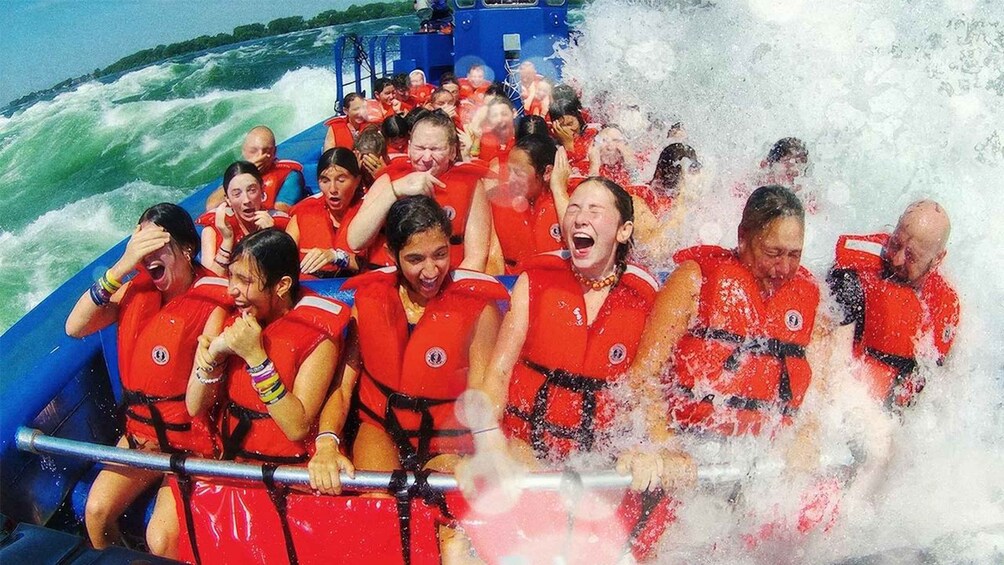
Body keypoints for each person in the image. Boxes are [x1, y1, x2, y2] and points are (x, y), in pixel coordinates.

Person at [462, 177, 694, 561]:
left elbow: (644, 385)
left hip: (600, 452)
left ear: (624, 231)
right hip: (529, 442)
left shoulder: (645, 296)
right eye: (574, 208)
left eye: (594, 210)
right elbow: (498, 374)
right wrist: (488, 443)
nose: (580, 218)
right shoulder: (534, 280)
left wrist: (658, 448)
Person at [65, 203, 229, 558]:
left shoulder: (216, 301)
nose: (147, 256)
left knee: (161, 539)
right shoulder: (136, 292)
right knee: (96, 511)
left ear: (186, 249)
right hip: (141, 438)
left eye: (158, 245)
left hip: (192, 447)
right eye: (141, 245)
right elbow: (75, 327)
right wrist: (122, 266)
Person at [632, 184, 823, 438]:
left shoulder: (807, 295)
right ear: (743, 237)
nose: (785, 268)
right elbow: (643, 377)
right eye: (773, 253)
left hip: (764, 453)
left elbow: (819, 396)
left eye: (794, 254)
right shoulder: (694, 280)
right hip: (689, 438)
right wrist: (664, 444)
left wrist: (806, 439)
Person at [186, 228, 349, 466]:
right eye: (232, 276)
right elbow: (194, 406)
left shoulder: (319, 335)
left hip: (289, 473)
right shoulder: (228, 316)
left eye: (246, 280)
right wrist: (215, 354)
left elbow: (297, 427)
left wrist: (256, 358)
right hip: (231, 465)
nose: (232, 289)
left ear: (282, 285)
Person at [827, 200, 959, 411]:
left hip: (895, 414)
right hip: (848, 404)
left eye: (911, 256)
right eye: (896, 244)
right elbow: (828, 363)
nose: (897, 260)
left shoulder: (945, 306)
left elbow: (937, 388)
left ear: (937, 259)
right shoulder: (853, 277)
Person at [346, 111, 492, 272]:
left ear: (452, 152)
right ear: (408, 149)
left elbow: (476, 256)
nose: (426, 157)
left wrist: (446, 293)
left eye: (436, 149)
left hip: (446, 280)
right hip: (391, 280)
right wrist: (395, 191)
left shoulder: (470, 185)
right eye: (420, 148)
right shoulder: (389, 179)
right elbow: (355, 241)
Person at [487, 134, 570, 274]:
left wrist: (558, 190)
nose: (510, 179)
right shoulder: (500, 200)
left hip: (556, 286)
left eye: (518, 173)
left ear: (547, 172)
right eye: (509, 170)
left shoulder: (570, 199)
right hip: (513, 284)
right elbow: (494, 259)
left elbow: (577, 239)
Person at [199, 161, 289, 277]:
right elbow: (210, 282)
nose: (246, 200)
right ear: (228, 200)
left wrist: (270, 237)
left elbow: (287, 272)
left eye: (252, 190)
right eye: (237, 194)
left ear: (262, 192)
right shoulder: (211, 232)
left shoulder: (282, 224)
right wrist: (227, 241)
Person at [286, 148, 364, 278]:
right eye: (325, 180)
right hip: (311, 293)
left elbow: (381, 267)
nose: (333, 189)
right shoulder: (302, 216)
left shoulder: (371, 213)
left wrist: (337, 257)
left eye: (341, 180)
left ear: (357, 181)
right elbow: (282, 265)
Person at [205, 126, 307, 212]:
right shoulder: (236, 174)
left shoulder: (290, 175)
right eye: (253, 151)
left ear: (274, 152)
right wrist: (247, 171)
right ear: (244, 151)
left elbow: (281, 211)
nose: (260, 156)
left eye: (266, 151)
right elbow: (211, 206)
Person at [549, 98, 596, 175]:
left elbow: (583, 167)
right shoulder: (553, 147)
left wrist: (568, 144)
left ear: (578, 119)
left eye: (570, 123)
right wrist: (566, 143)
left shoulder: (592, 135)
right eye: (562, 126)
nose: (569, 129)